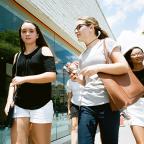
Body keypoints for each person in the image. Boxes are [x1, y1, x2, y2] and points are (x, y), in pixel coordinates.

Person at [70, 16, 129, 144]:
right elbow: (87, 82)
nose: (75, 31)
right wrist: (78, 79)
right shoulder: (82, 56)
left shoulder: (107, 43)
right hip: (86, 105)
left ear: (91, 27)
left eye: (79, 27)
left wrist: (97, 67)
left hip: (108, 105)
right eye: (75, 28)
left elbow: (124, 67)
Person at [4, 20, 56, 144]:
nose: (27, 33)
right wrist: (9, 100)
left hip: (41, 105)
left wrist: (25, 79)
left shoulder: (44, 50)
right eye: (24, 31)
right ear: (21, 34)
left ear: (37, 35)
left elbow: (51, 75)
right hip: (20, 105)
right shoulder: (17, 56)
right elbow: (14, 81)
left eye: (31, 31)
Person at [124, 47, 144, 144]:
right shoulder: (127, 74)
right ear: (129, 58)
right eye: (135, 54)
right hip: (134, 108)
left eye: (140, 53)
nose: (138, 56)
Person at [66, 78, 81, 144]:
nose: (71, 74)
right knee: (74, 125)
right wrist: (68, 109)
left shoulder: (84, 78)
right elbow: (69, 97)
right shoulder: (69, 82)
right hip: (74, 105)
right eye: (69, 72)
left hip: (85, 105)